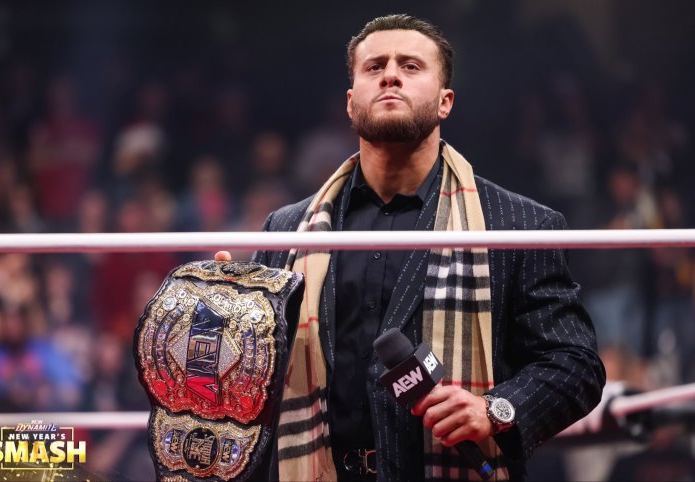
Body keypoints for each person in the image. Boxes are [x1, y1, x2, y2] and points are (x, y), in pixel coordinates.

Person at [217, 14, 604, 481]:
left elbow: (575, 365)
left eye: (411, 66)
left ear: (445, 102)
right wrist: (227, 318)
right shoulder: (286, 231)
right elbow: (253, 381)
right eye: (374, 66)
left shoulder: (519, 225)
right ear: (350, 103)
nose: (391, 75)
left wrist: (495, 409)